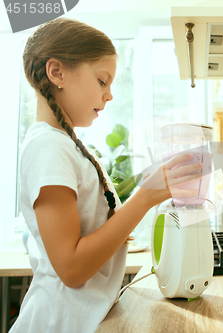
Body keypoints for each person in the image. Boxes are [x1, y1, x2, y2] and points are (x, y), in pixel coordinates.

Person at [10, 18, 202, 333]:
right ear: (57, 73)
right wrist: (146, 197)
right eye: (102, 81)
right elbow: (72, 269)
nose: (109, 95)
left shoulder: (64, 146)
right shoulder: (48, 147)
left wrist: (150, 190)